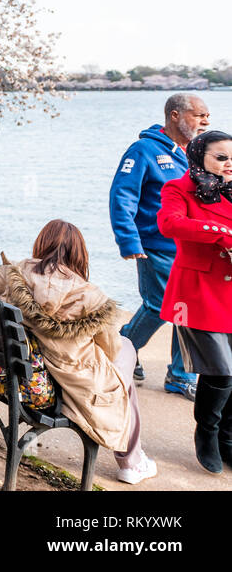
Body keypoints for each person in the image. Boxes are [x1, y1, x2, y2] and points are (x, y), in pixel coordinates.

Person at [0, 220, 157, 485]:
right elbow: (110, 348)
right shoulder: (92, 297)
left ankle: (132, 459)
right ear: (80, 255)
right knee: (126, 350)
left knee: (125, 365)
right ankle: (131, 461)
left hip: (26, 371)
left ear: (41, 244)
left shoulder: (15, 274)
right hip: (62, 385)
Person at [109, 92, 209, 399]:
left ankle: (180, 375)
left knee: (187, 309)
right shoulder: (143, 150)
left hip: (190, 247)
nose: (205, 121)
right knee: (160, 306)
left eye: (207, 116)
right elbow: (122, 196)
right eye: (198, 115)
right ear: (175, 115)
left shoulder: (197, 153)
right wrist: (128, 240)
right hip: (155, 245)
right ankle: (122, 347)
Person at [157, 129, 232, 474]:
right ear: (199, 154)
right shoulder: (179, 188)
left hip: (228, 292)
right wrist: (222, 235)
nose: (229, 164)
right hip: (198, 292)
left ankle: (227, 438)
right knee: (220, 371)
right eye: (221, 157)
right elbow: (170, 224)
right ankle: (207, 432)